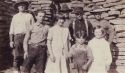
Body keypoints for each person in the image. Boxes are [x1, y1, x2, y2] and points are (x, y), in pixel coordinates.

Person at [9, 0, 34, 73]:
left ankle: (25, 69)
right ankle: (16, 69)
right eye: (20, 5)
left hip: (27, 36)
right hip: (17, 37)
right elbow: (11, 29)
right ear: (18, 7)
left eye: (23, 5)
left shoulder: (29, 16)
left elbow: (33, 27)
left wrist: (31, 38)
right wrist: (11, 40)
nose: (22, 6)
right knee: (17, 54)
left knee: (27, 53)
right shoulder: (15, 17)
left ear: (26, 6)